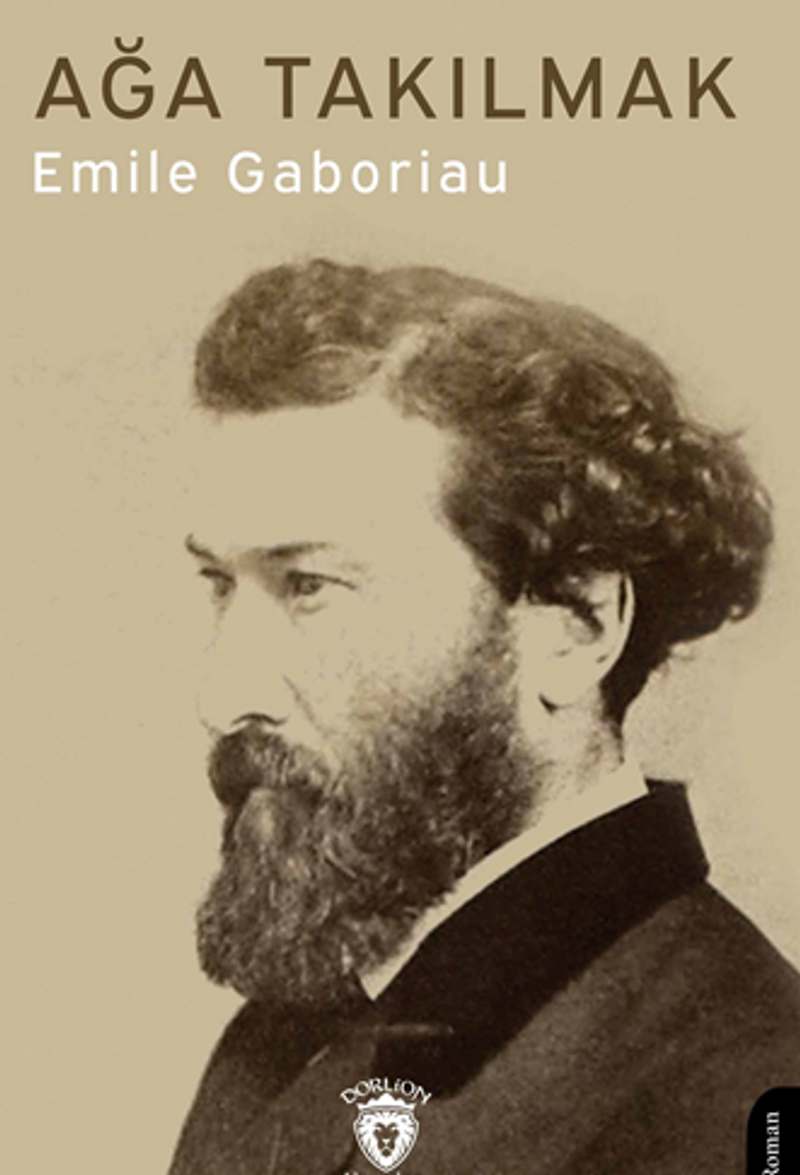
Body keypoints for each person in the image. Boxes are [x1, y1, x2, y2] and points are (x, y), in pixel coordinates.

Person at [169, 260, 800, 1175]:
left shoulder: (740, 1088)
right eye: (220, 583)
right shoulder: (287, 1034)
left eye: (310, 586)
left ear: (577, 626)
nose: (222, 695)